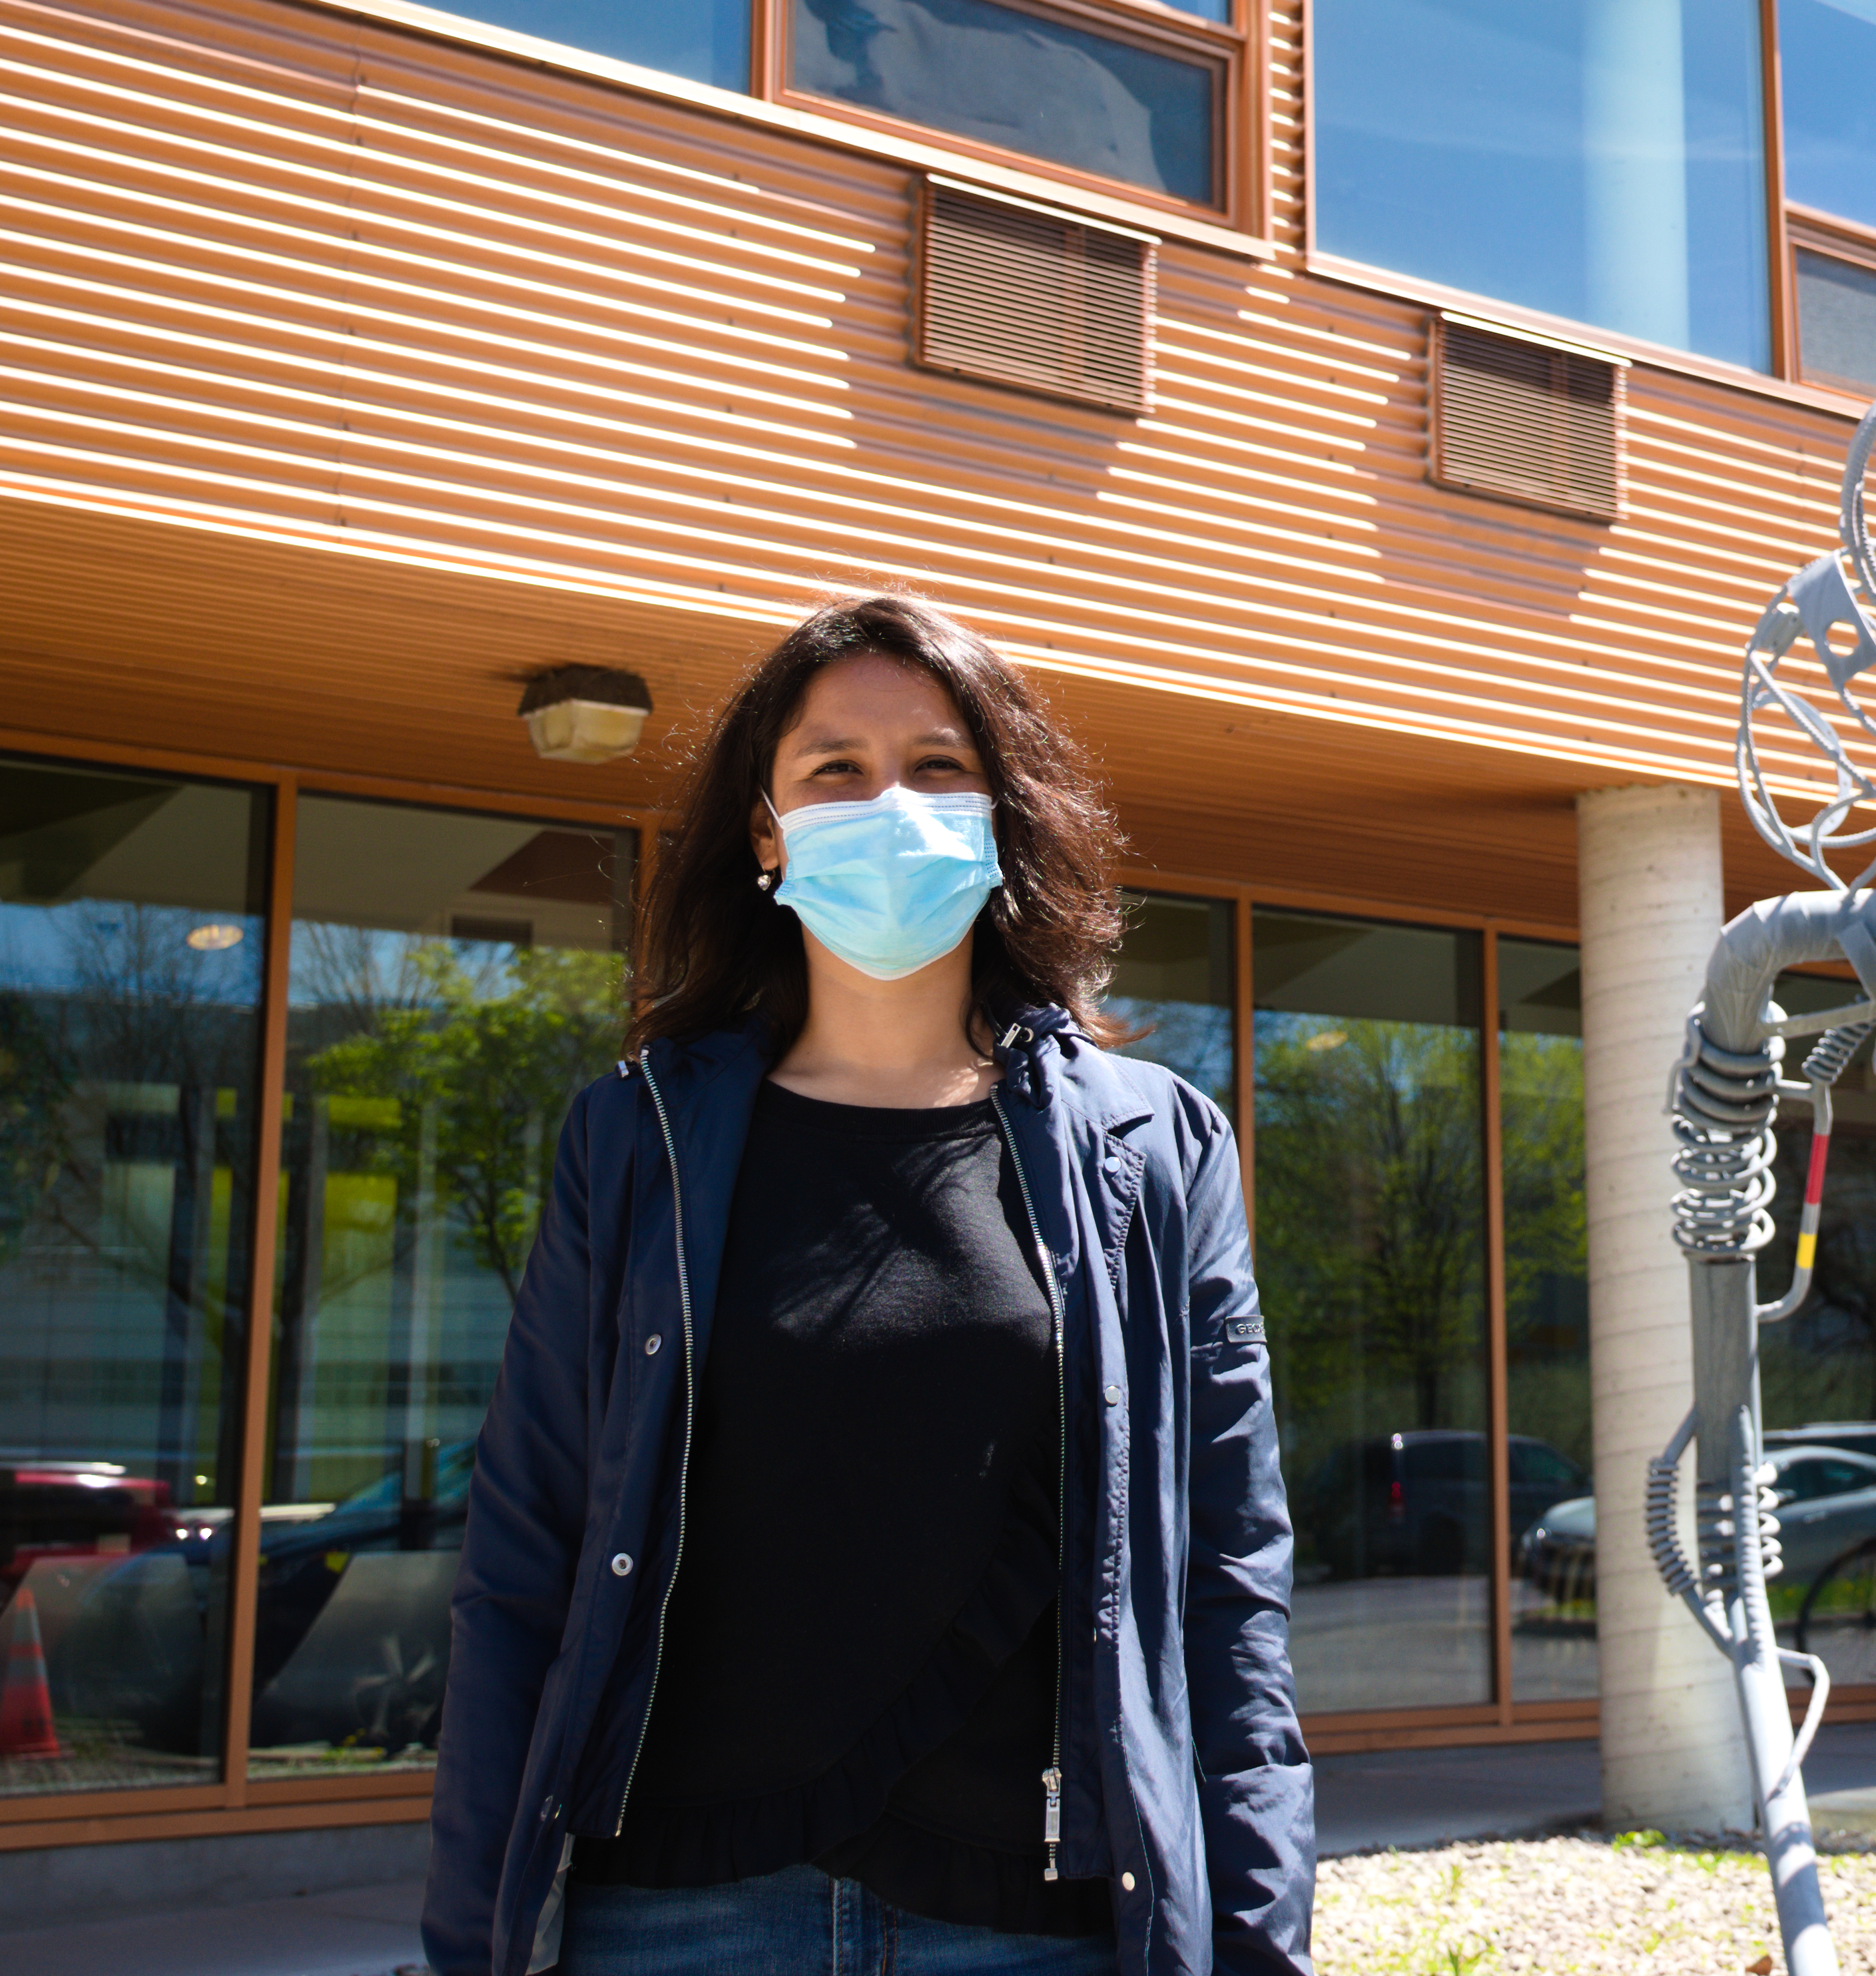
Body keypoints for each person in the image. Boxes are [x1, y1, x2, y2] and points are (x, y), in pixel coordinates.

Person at [426, 593, 1311, 1976]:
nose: (888, 801)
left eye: (940, 766)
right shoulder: (637, 1138)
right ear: (768, 835)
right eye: (835, 768)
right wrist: (471, 1934)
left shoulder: (1155, 1146)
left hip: (1035, 1930)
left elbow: (1226, 1584)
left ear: (1006, 817)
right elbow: (525, 1562)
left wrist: (1258, 1945)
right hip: (672, 1921)